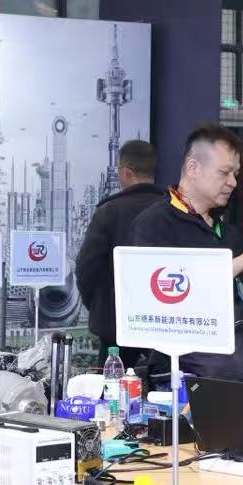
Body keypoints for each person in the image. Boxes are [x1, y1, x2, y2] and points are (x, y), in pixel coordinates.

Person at [128, 123, 243, 382]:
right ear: (193, 168)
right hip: (184, 378)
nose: (233, 183)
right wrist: (241, 262)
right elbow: (163, 298)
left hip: (240, 373)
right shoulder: (155, 224)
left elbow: (241, 306)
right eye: (224, 173)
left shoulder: (226, 231)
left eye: (236, 174)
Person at [74, 140, 165, 355]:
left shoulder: (108, 212)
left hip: (115, 329)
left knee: (114, 376)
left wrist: (99, 306)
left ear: (125, 172)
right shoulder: (173, 210)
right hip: (162, 328)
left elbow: (86, 268)